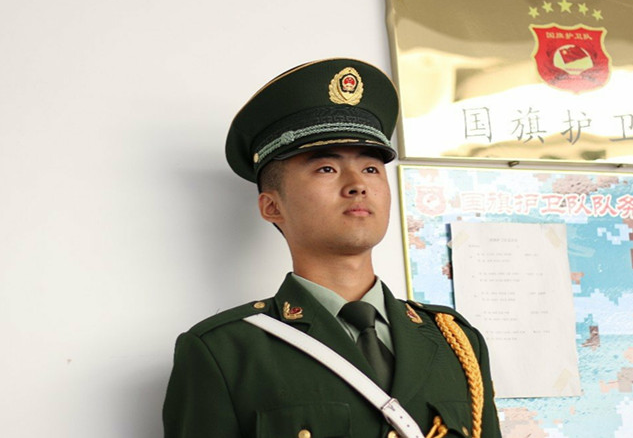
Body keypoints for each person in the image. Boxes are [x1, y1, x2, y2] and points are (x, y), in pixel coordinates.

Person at [163, 58, 502, 438]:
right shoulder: (226, 351)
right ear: (272, 206)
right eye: (327, 168)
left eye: (371, 169)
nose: (358, 184)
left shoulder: (456, 342)